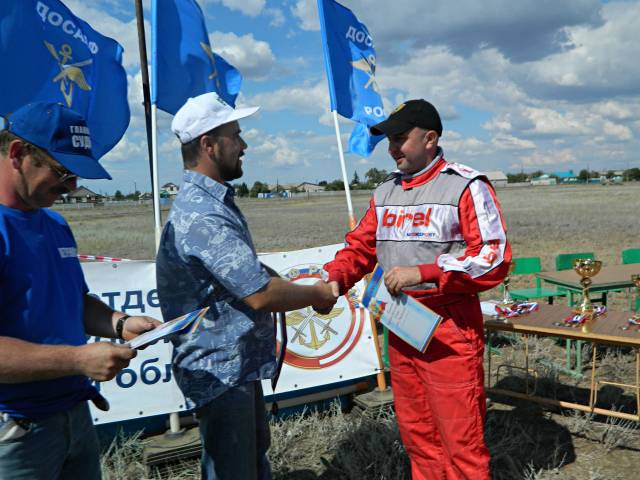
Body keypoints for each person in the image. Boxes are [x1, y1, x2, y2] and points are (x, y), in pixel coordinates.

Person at [323, 99, 512, 480]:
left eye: (400, 138)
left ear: (430, 138)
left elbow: (493, 258)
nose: (392, 149)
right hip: (401, 324)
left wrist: (425, 272)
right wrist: (333, 281)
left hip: (449, 329)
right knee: (418, 434)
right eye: (389, 140)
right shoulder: (385, 192)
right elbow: (360, 247)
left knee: (460, 438)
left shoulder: (465, 186)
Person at [155, 92, 339, 480]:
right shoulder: (203, 213)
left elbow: (242, 272)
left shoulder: (212, 203)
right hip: (222, 370)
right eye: (235, 135)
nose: (244, 145)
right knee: (235, 469)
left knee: (251, 462)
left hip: (235, 364)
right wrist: (318, 294)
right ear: (209, 145)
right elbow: (260, 294)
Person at [0, 102, 161, 479]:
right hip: (15, 431)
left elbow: (73, 302)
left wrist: (121, 324)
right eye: (63, 172)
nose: (72, 187)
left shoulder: (55, 224)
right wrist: (77, 359)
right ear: (18, 154)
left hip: (74, 415)